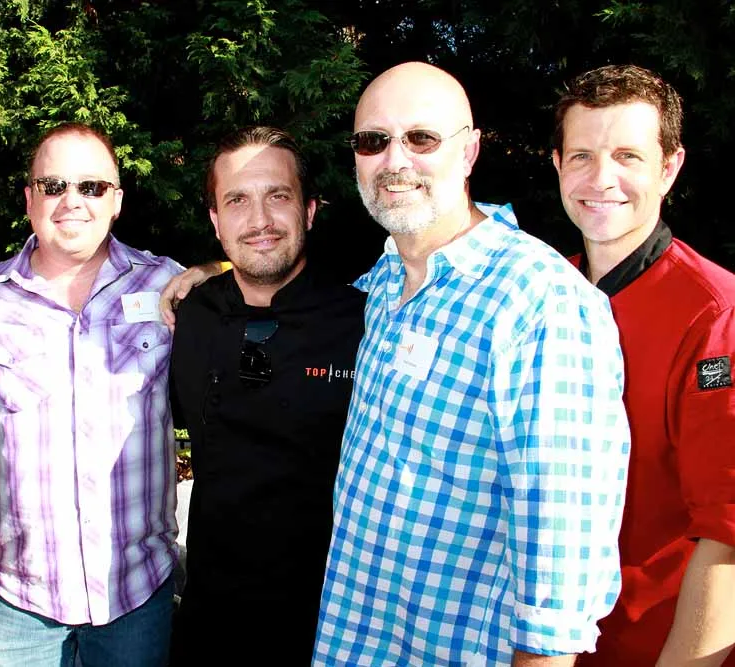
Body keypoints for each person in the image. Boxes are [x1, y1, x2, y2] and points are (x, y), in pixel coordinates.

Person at [310, 62, 631, 666]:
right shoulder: (383, 283)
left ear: (469, 152)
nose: (395, 160)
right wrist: (209, 277)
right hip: (360, 641)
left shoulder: (540, 301)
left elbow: (561, 550)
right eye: (373, 141)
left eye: (421, 138)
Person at [0, 123, 181, 667]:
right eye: (53, 185)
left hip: (136, 593)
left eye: (92, 187)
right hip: (19, 601)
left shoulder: (168, 285)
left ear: (117, 201)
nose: (72, 201)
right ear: (29, 199)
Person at [553, 65, 735, 667]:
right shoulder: (543, 292)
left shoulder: (716, 314)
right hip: (545, 644)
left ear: (669, 168)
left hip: (656, 646)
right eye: (582, 156)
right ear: (557, 165)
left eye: (627, 155)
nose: (601, 178)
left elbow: (728, 535)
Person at [169, 127, 365, 666]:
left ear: (309, 211)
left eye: (277, 196)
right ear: (215, 220)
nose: (259, 220)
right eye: (237, 200)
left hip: (328, 630)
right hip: (209, 625)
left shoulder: (364, 322)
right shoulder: (188, 314)